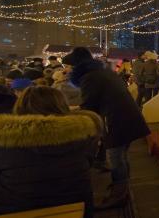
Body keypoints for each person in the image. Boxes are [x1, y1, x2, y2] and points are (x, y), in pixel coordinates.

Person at [0, 86, 102, 217]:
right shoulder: (83, 134)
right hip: (77, 209)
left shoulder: (3, 141)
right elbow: (88, 163)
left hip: (15, 211)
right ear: (61, 105)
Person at [64, 47, 150, 208]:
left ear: (76, 65)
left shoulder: (90, 77)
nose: (66, 71)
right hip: (127, 117)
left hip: (116, 120)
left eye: (68, 67)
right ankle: (123, 189)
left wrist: (72, 113)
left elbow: (90, 106)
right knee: (121, 157)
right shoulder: (102, 73)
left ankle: (119, 194)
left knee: (116, 158)